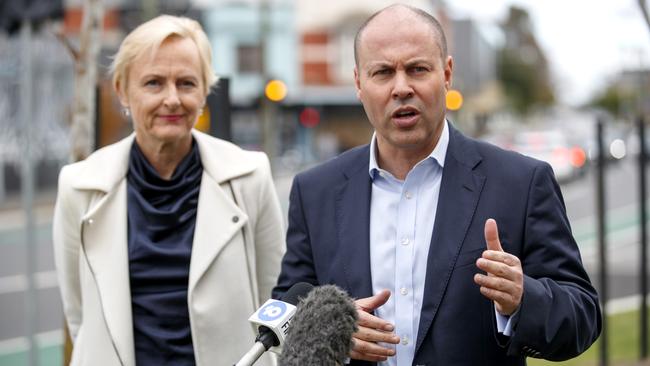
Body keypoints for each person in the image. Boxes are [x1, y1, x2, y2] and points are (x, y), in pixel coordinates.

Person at [273, 4, 600, 365]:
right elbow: (285, 309)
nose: (401, 88)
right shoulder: (314, 192)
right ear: (358, 83)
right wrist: (328, 328)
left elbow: (582, 315)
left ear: (446, 74)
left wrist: (523, 299)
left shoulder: (521, 183)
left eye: (417, 69)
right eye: (382, 72)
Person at [53, 15, 284, 366]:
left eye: (187, 83)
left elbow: (274, 303)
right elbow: (80, 313)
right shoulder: (79, 186)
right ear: (122, 90)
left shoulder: (250, 176)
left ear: (205, 90)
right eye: (154, 83)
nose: (172, 99)